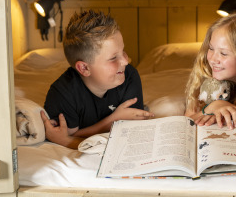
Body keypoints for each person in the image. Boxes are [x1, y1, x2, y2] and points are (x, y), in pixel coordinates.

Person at [41, 10, 154, 149]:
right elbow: (66, 136)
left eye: (123, 51)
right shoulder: (62, 94)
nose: (125, 61)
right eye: (113, 58)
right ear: (84, 68)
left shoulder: (129, 76)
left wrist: (71, 137)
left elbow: (130, 134)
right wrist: (113, 121)